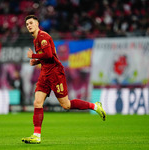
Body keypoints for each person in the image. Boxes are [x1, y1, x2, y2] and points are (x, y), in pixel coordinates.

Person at [22, 15, 106, 144]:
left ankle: (95, 106)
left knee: (66, 105)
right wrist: (37, 61)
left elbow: (49, 55)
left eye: (31, 23)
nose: (29, 25)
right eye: (27, 24)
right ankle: (36, 135)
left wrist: (33, 55)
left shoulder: (43, 36)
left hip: (55, 73)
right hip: (45, 73)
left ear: (37, 23)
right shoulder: (36, 40)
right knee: (37, 103)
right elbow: (50, 55)